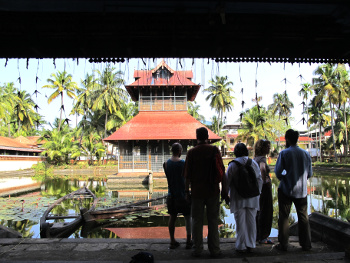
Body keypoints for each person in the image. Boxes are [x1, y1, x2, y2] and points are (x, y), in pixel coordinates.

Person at [183, 127, 227, 258]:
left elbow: (187, 176)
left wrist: (186, 192)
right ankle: (215, 250)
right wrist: (224, 189)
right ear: (207, 137)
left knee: (197, 221)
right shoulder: (214, 150)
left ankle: (197, 249)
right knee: (213, 221)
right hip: (213, 191)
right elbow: (222, 171)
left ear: (197, 137)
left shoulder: (191, 152)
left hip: (197, 192)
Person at [274, 129, 313, 251]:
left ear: (287, 139)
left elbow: (278, 172)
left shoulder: (284, 153)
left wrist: (285, 177)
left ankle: (284, 243)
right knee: (303, 217)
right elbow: (310, 173)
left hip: (286, 189)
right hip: (301, 191)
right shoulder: (305, 154)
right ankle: (306, 244)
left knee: (284, 216)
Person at [225, 143, 263, 253]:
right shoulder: (253, 163)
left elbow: (227, 182)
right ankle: (250, 244)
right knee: (251, 221)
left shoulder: (232, 165)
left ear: (236, 152)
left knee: (240, 222)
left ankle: (240, 245)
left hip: (238, 198)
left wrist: (226, 195)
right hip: (253, 197)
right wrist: (257, 193)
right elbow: (259, 180)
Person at [163, 143, 192, 249]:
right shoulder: (183, 163)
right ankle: (189, 241)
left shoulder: (166, 164)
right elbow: (188, 178)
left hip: (171, 195)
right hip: (183, 195)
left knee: (172, 217)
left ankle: (172, 240)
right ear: (179, 151)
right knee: (188, 217)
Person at [254, 139, 274, 244]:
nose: (269, 148)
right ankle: (263, 237)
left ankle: (258, 235)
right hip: (264, 188)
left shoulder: (255, 158)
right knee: (266, 211)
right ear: (262, 148)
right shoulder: (262, 159)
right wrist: (264, 180)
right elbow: (262, 169)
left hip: (257, 188)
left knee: (259, 211)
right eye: (267, 146)